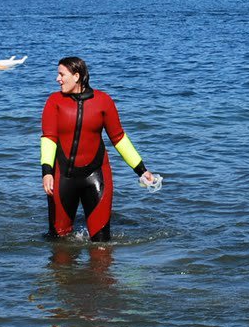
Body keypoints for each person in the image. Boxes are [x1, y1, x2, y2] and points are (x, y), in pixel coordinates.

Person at [39, 56, 160, 242]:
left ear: (77, 76)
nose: (57, 79)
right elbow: (49, 138)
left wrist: (142, 170)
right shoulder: (54, 102)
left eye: (61, 74)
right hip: (62, 177)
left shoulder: (103, 101)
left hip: (96, 176)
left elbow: (118, 138)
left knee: (102, 245)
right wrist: (47, 172)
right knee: (59, 245)